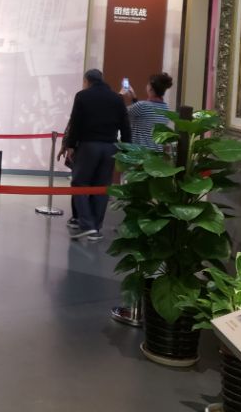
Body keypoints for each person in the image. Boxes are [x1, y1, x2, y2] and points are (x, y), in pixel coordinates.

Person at [111, 72, 174, 325]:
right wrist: (136, 98)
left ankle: (133, 229)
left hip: (137, 158)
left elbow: (122, 114)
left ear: (150, 87)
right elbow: (145, 113)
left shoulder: (140, 107)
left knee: (132, 197)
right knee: (150, 198)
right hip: (156, 160)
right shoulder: (165, 109)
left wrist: (124, 96)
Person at [63, 69, 131, 242]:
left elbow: (75, 122)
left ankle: (87, 225)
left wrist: (70, 145)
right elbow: (125, 125)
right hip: (110, 147)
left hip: (88, 146)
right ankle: (96, 227)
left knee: (79, 184)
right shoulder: (117, 98)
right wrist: (126, 148)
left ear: (87, 81)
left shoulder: (82, 96)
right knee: (102, 187)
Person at [121, 72, 174, 149]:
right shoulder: (166, 108)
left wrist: (121, 94)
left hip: (141, 153)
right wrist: (134, 98)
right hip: (157, 152)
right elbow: (142, 116)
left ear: (150, 88)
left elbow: (121, 112)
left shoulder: (142, 106)